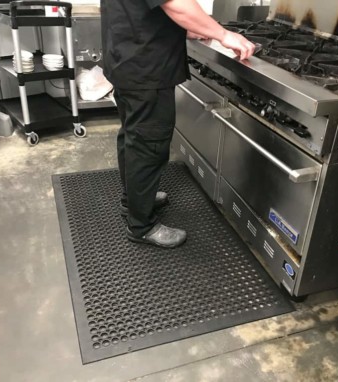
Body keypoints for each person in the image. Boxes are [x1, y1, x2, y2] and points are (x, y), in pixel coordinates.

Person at [101, 0, 255, 249]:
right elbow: (175, 4)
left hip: (127, 59)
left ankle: (135, 201)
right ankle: (142, 226)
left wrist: (193, 27)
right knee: (148, 147)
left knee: (132, 136)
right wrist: (223, 34)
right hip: (146, 68)